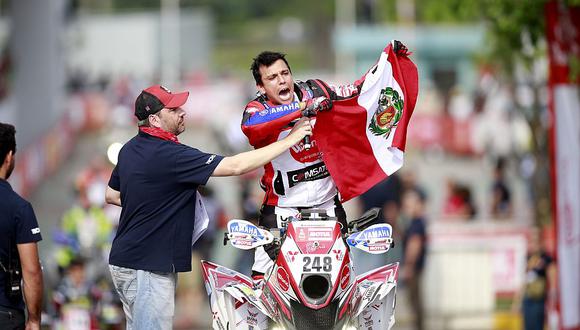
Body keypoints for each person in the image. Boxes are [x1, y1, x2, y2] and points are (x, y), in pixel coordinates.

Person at [104, 84, 312, 329]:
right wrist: (291, 139)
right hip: (149, 265)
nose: (182, 112)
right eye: (173, 109)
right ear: (154, 119)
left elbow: (111, 194)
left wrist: (152, 202)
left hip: (124, 260)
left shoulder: (129, 149)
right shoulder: (170, 154)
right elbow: (235, 166)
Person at [242, 51, 363, 277]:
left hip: (327, 207)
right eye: (272, 78)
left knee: (340, 281)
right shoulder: (256, 109)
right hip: (282, 211)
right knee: (261, 284)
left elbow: (355, 92)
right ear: (260, 87)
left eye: (285, 73)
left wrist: (387, 65)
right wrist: (302, 109)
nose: (281, 80)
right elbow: (251, 126)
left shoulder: (316, 89)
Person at [0, 122, 44, 330]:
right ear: (9, 157)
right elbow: (32, 271)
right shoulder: (20, 208)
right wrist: (34, 319)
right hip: (5, 313)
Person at [401, 188, 428, 330]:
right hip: (417, 267)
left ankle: (419, 327)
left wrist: (409, 265)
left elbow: (414, 245)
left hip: (414, 267)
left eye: (409, 205)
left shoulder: (416, 223)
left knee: (414, 300)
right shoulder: (417, 222)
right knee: (415, 300)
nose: (407, 208)